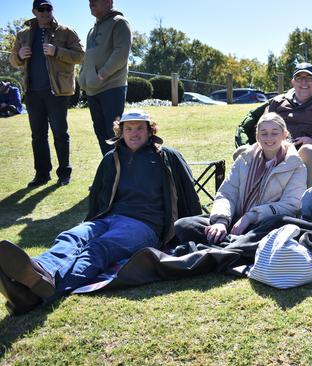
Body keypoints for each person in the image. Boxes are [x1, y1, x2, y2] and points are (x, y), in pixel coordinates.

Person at [0, 109, 202, 315]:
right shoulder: (111, 158)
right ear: (120, 131)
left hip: (144, 226)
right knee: (71, 237)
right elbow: (98, 197)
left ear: (150, 131)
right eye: (129, 128)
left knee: (98, 249)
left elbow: (188, 193)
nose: (134, 133)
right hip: (107, 218)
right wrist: (92, 223)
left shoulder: (166, 156)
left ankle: (38, 294)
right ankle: (37, 271)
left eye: (140, 128)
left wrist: (192, 230)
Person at [175, 113, 307, 245]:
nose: (269, 138)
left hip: (262, 224)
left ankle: (227, 246)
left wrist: (250, 217)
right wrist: (221, 221)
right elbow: (226, 194)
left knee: (278, 225)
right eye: (264, 133)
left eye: (274, 133)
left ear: (285, 134)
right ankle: (232, 245)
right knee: (184, 225)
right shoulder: (244, 159)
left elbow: (291, 205)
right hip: (233, 220)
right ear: (257, 136)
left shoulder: (295, 165)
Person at [9, 0, 84, 187]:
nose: (44, 12)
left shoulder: (66, 31)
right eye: (40, 9)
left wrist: (57, 51)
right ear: (34, 11)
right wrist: (19, 56)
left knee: (60, 133)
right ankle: (42, 174)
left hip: (57, 91)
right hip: (33, 92)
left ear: (52, 10)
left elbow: (81, 55)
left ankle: (64, 174)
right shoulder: (23, 35)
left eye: (48, 8)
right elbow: (12, 59)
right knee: (38, 135)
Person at [79, 0, 132, 155]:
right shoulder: (91, 30)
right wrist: (83, 78)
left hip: (112, 87)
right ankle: (110, 169)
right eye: (89, 1)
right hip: (92, 90)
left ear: (109, 2)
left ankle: (123, 172)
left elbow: (121, 54)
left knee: (114, 134)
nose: (91, 3)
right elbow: (88, 57)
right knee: (101, 133)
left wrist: (101, 75)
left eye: (96, 0)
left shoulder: (120, 23)